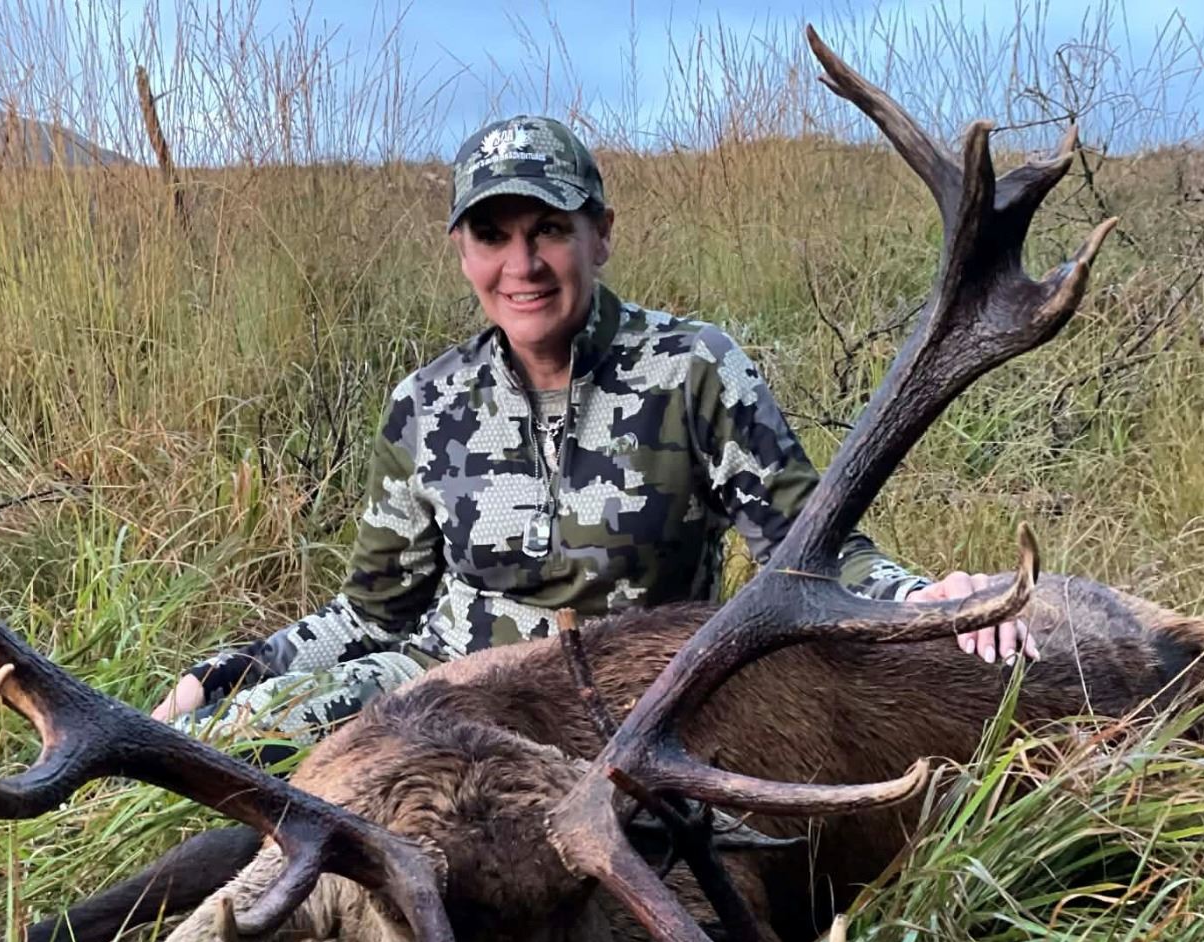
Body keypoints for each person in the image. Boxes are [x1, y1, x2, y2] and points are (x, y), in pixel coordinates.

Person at [152, 115, 1034, 743]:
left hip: (632, 703)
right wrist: (229, 675)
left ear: (600, 235)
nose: (522, 265)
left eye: (549, 230)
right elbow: (373, 614)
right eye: (492, 235)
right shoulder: (427, 403)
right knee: (220, 745)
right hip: (439, 690)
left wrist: (919, 599)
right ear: (463, 253)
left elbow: (810, 552)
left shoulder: (693, 370)